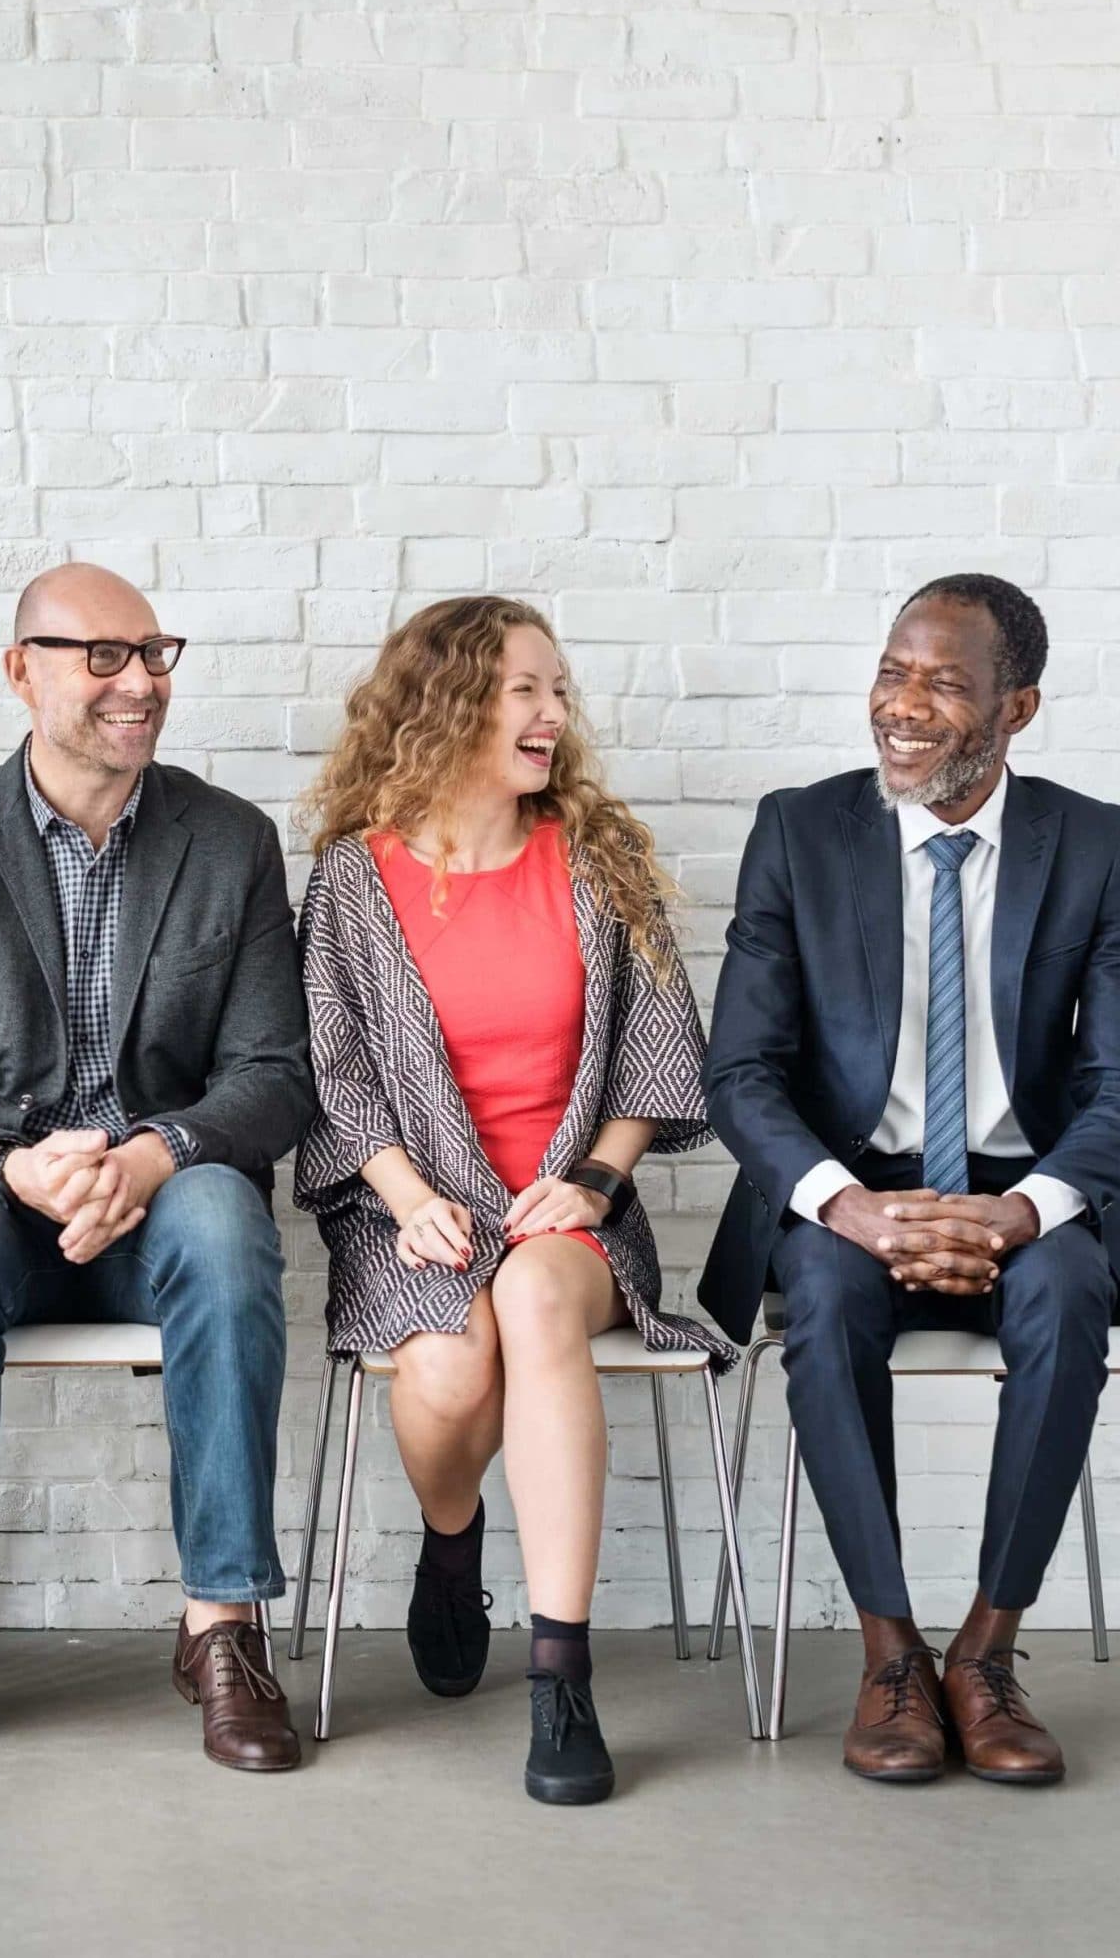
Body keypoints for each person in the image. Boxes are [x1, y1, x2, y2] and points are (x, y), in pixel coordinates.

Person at [0, 561, 313, 1773]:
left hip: (162, 1204)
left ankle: (222, 1626)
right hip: (3, 1207)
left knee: (219, 1220)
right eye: (100, 654)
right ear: (21, 673)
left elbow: (273, 1072)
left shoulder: (230, 841)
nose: (137, 680)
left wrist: (154, 1152)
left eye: (153, 652)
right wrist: (13, 1165)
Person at [294, 595, 719, 1806]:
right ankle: (448, 1539)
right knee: (446, 1372)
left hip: (565, 1215)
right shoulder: (350, 883)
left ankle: (558, 1672)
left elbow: (657, 1052)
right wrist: (404, 1190)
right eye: (524, 688)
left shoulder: (594, 862)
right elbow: (332, 1070)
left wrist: (588, 1182)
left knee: (530, 1300)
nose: (552, 712)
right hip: (408, 1207)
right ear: (448, 704)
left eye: (556, 690)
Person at [702, 574, 1120, 1788]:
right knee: (824, 1301)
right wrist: (846, 1204)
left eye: (942, 681)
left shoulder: (1095, 846)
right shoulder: (798, 828)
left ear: (1017, 708)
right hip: (852, 1184)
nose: (903, 703)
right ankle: (891, 1651)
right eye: (893, 671)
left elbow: (1114, 1081)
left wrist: (1022, 1209)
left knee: (1067, 1289)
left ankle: (983, 1651)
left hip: (1024, 1188)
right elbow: (741, 1070)